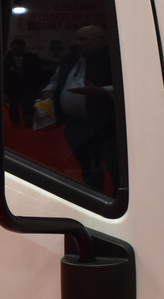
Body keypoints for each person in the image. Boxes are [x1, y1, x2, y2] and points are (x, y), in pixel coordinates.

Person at [40, 24, 119, 193]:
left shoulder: (114, 58)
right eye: (76, 39)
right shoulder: (70, 59)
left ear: (102, 39)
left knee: (110, 165)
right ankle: (92, 196)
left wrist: (100, 91)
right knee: (84, 163)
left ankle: (117, 199)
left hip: (105, 124)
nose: (78, 43)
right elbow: (55, 80)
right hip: (74, 124)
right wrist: (48, 92)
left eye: (83, 39)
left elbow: (130, 88)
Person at [3, 39, 46, 127]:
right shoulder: (5, 57)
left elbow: (38, 71)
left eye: (19, 48)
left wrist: (39, 84)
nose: (17, 50)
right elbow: (1, 72)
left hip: (28, 85)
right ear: (11, 48)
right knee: (13, 105)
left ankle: (28, 121)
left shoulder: (32, 56)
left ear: (24, 48)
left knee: (28, 104)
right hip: (11, 85)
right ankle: (16, 122)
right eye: (15, 48)